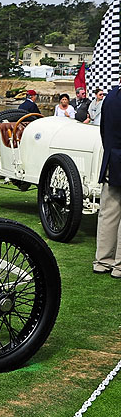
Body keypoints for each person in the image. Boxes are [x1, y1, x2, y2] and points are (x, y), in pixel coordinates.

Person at [94, 83, 121, 277]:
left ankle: (103, 261)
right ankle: (119, 266)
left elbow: (103, 131)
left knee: (108, 212)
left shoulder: (110, 97)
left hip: (112, 158)